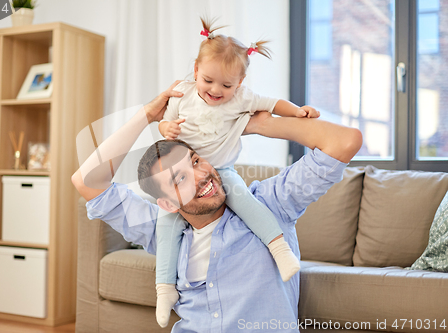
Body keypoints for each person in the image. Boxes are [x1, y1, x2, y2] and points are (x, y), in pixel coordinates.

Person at [72, 81, 363, 332]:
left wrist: (263, 125)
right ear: (167, 203)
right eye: (180, 179)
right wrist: (147, 115)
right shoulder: (159, 231)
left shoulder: (271, 203)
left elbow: (345, 141)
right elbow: (86, 182)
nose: (201, 177)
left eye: (196, 161)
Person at [155, 17, 320, 327]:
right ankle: (164, 288)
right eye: (208, 81)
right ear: (195, 72)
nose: (215, 90)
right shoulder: (183, 93)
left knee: (246, 203)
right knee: (166, 226)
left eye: (227, 85)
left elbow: (274, 103)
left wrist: (297, 111)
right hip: (187, 174)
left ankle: (279, 249)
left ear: (240, 83)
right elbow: (165, 120)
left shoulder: (242, 99)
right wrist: (167, 127)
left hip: (222, 171)